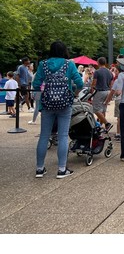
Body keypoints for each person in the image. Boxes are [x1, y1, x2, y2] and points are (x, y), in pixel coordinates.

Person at [32, 41, 83, 178]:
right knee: (63, 136)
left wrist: (42, 96)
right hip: (65, 104)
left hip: (47, 104)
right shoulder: (69, 64)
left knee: (44, 136)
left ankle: (40, 168)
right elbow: (80, 83)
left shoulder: (43, 64)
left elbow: (36, 84)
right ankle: (61, 169)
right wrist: (74, 93)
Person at [92, 57, 113, 130]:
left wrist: (91, 90)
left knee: (95, 109)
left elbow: (94, 83)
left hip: (99, 91)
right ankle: (100, 126)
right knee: (103, 109)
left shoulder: (97, 72)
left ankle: (107, 123)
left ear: (98, 62)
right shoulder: (110, 72)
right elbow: (111, 84)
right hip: (107, 91)